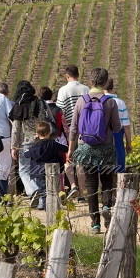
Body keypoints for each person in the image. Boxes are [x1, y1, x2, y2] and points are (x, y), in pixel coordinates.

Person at [68, 67, 121, 234]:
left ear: (90, 82)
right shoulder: (110, 102)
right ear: (105, 82)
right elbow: (117, 127)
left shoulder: (81, 101)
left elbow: (74, 128)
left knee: (90, 184)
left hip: (86, 148)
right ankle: (106, 204)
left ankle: (95, 224)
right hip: (105, 147)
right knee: (106, 179)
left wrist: (70, 149)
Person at [9, 80, 56, 206]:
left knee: (23, 171)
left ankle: (33, 190)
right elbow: (49, 120)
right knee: (39, 172)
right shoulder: (41, 103)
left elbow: (16, 129)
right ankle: (42, 202)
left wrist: (13, 147)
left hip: (25, 143)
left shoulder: (19, 105)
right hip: (41, 141)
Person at [56, 65, 89, 200]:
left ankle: (73, 185)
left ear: (67, 76)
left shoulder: (63, 90)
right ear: (78, 74)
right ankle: (81, 194)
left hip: (69, 128)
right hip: (84, 128)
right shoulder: (86, 89)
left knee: (68, 159)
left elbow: (60, 111)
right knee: (81, 161)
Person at [38, 86, 77, 196]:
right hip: (59, 139)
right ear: (51, 96)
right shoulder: (58, 110)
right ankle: (67, 188)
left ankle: (50, 192)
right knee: (65, 163)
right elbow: (65, 127)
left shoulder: (40, 111)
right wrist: (70, 142)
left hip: (44, 141)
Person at [23, 121, 65, 210]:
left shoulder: (34, 146)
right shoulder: (53, 144)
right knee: (53, 191)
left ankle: (44, 206)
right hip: (53, 171)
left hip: (38, 172)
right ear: (50, 132)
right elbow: (65, 148)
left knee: (43, 192)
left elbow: (26, 154)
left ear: (37, 134)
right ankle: (50, 208)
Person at [103, 78, 132, 172]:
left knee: (103, 170)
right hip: (117, 138)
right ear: (112, 87)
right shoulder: (120, 102)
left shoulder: (99, 101)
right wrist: (129, 143)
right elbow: (126, 126)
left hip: (102, 137)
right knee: (118, 169)